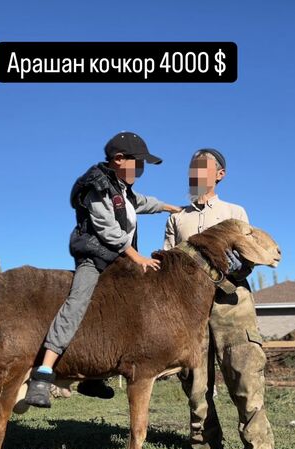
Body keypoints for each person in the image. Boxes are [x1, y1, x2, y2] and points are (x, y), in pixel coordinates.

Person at [25, 132, 181, 408]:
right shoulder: (97, 187)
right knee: (78, 301)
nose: (141, 170)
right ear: (119, 159)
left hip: (117, 263)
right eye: (138, 163)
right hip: (95, 259)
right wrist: (137, 257)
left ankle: (95, 377)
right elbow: (108, 230)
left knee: (122, 310)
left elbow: (142, 203)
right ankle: (43, 374)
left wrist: (170, 207)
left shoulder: (123, 190)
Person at [163, 148, 276, 449]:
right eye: (191, 168)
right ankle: (203, 444)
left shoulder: (234, 211)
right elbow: (169, 262)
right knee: (195, 382)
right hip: (190, 309)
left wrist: (234, 266)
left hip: (232, 304)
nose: (194, 174)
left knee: (244, 378)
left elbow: (251, 253)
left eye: (202, 168)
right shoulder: (176, 218)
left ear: (220, 175)